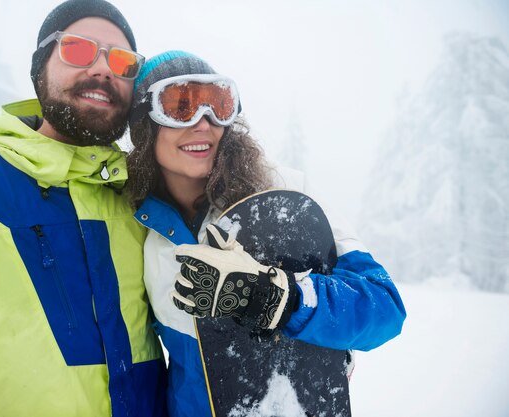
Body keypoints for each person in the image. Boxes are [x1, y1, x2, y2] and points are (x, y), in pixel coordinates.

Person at [126, 50, 407, 417]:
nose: (203, 123)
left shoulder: (287, 195)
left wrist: (280, 299)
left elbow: (384, 308)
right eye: (181, 105)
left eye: (218, 105)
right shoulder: (140, 229)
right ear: (144, 124)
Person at [0, 1, 167, 416]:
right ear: (40, 69)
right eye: (78, 49)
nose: (103, 69)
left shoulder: (143, 200)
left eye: (123, 61)